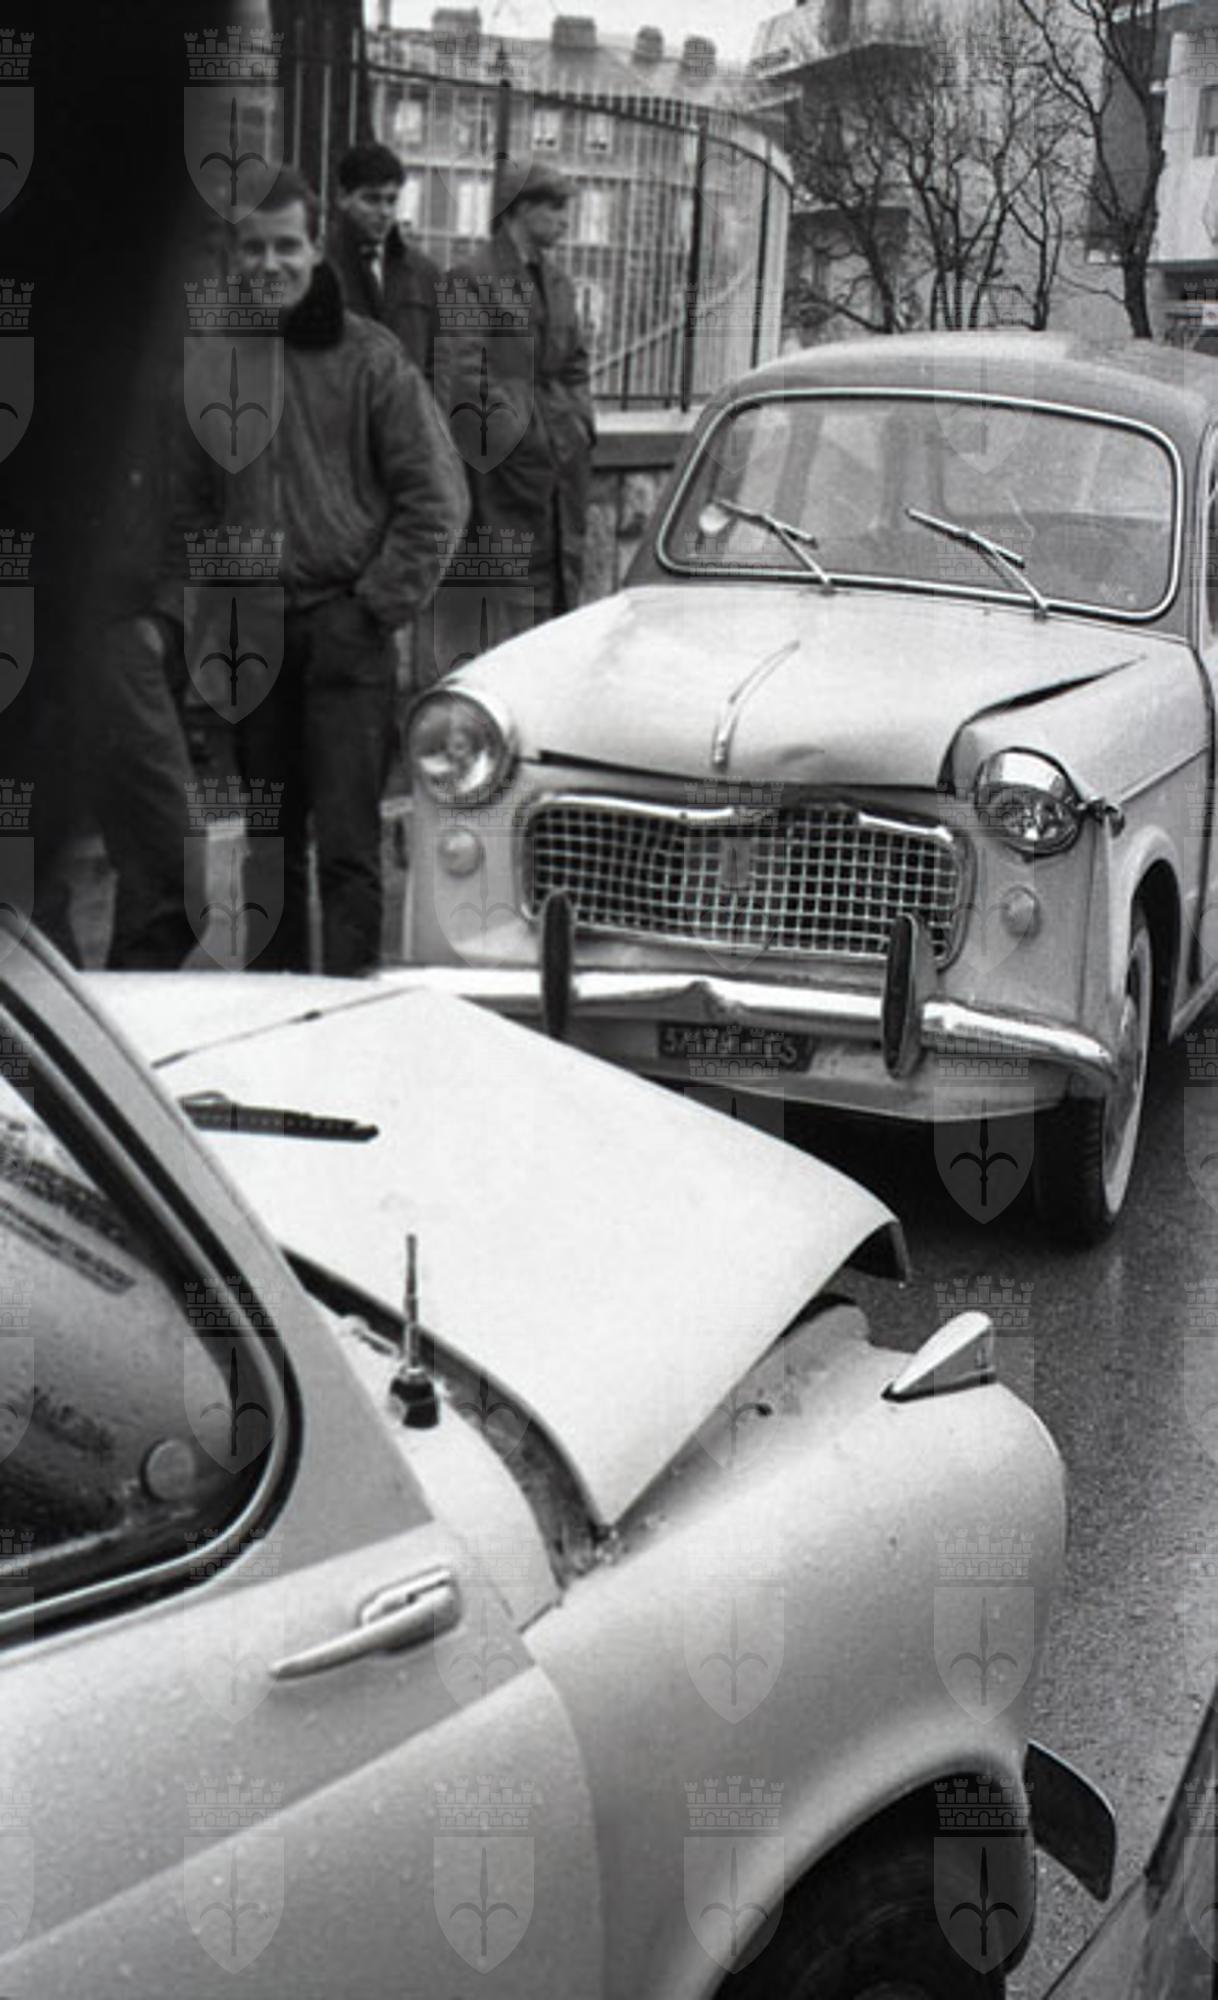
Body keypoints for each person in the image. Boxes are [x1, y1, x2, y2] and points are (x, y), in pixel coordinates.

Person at [154, 168, 468, 976]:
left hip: (344, 631)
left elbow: (436, 498)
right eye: (253, 248)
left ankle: (351, 1012)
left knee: (349, 852)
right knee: (268, 848)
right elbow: (187, 508)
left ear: (316, 247)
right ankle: (280, 1011)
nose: (270, 264)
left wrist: (373, 607)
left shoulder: (370, 358)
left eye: (286, 246)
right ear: (234, 256)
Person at [436, 159, 596, 652]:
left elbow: (576, 365)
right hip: (504, 474)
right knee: (508, 602)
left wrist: (579, 425)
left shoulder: (559, 283)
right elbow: (465, 376)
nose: (565, 219)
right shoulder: (469, 278)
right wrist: (522, 437)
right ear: (520, 209)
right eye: (555, 206)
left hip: (562, 467)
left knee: (559, 591)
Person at [329, 141, 442, 387]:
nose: (384, 212)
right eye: (371, 200)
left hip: (408, 407)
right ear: (342, 198)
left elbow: (439, 364)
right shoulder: (319, 269)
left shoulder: (424, 274)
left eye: (391, 200)